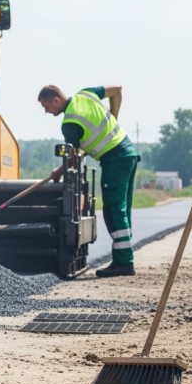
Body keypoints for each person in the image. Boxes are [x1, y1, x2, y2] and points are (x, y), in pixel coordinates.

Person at [38, 84, 140, 277]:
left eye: (46, 107)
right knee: (123, 209)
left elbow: (74, 158)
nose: (46, 112)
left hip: (114, 160)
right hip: (128, 153)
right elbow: (117, 90)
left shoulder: (69, 123)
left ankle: (124, 262)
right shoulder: (86, 93)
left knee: (113, 209)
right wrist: (114, 117)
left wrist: (58, 172)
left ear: (56, 100)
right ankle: (123, 259)